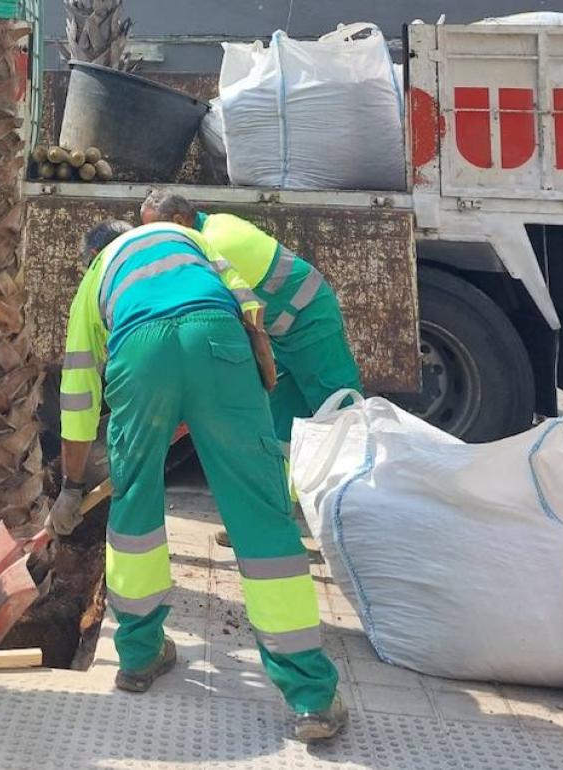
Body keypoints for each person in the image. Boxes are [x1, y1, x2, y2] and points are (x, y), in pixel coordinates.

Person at [47, 220, 347, 742]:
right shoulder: (188, 240)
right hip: (220, 339)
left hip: (140, 355)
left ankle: (138, 658)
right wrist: (222, 392)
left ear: (91, 254)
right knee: (261, 515)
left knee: (135, 510)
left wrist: (72, 489)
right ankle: (310, 697)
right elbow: (248, 307)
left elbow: (77, 400)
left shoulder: (95, 279)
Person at [139, 190, 362, 445]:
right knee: (281, 417)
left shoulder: (214, 247)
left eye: (155, 233)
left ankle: (360, 476)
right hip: (284, 331)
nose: (153, 243)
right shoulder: (215, 223)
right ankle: (290, 482)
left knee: (339, 410)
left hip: (309, 321)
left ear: (179, 222)